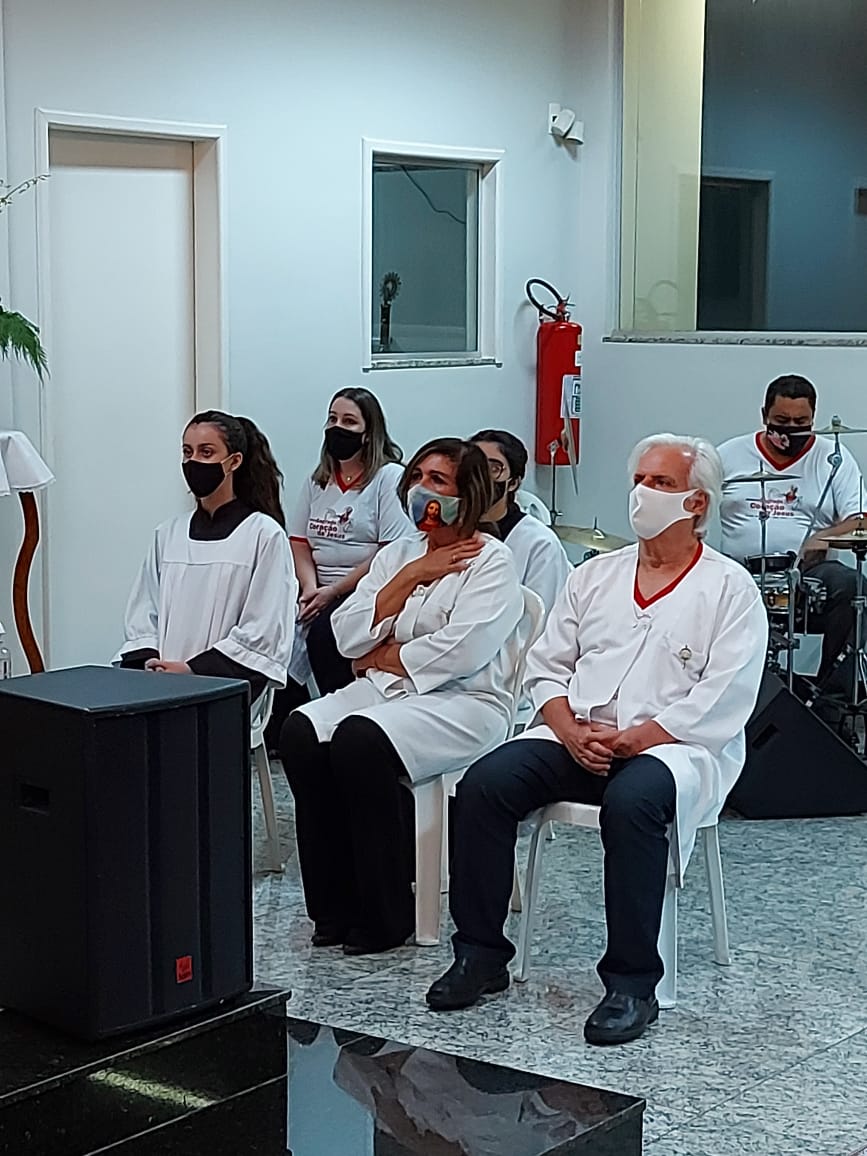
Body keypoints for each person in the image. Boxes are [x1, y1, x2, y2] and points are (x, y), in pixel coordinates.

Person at [426, 434, 767, 1046]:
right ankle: (479, 953)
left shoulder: (729, 589)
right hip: (575, 735)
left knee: (632, 804)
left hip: (672, 748)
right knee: (484, 785)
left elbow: (723, 696)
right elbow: (546, 664)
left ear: (697, 503)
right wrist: (566, 727)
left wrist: (637, 740)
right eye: (639, 479)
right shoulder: (596, 575)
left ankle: (631, 984)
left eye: (661, 483)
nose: (642, 493)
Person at [279, 438, 524, 956]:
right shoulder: (400, 554)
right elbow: (346, 635)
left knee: (358, 741)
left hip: (465, 702)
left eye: (438, 481)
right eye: (417, 477)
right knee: (300, 732)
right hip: (388, 692)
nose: (421, 490)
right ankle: (333, 907)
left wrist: (382, 655)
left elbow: (462, 650)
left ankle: (386, 913)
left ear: (468, 494)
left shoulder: (491, 560)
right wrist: (412, 576)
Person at [265, 389, 412, 749]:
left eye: (348, 421)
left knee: (325, 632)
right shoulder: (318, 481)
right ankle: (282, 723)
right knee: (273, 623)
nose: (337, 428)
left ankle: (342, 723)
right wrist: (310, 587)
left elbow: (390, 551)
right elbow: (298, 541)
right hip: (316, 585)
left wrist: (333, 591)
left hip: (366, 586)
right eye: (332, 419)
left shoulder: (388, 478)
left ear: (368, 433)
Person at [116, 410, 296, 703]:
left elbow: (263, 630)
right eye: (187, 452)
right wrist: (151, 663)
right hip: (159, 687)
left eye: (207, 452)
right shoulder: (169, 534)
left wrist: (193, 671)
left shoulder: (263, 535)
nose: (194, 462)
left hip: (221, 691)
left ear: (234, 461)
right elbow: (143, 613)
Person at [718, 374, 864, 686]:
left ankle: (828, 694)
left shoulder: (833, 459)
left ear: (813, 418)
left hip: (808, 575)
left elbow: (861, 519)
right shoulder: (728, 456)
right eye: (782, 421)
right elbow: (693, 503)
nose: (791, 430)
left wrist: (822, 538)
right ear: (764, 416)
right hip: (738, 572)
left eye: (801, 422)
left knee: (852, 587)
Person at [470, 429, 571, 613]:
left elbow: (541, 617)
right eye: (473, 466)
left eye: (493, 468)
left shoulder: (539, 543)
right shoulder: (448, 529)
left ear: (513, 483)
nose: (481, 477)